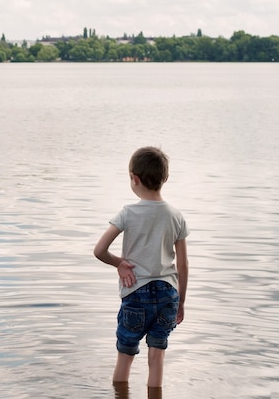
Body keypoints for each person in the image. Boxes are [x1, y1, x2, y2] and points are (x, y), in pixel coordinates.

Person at [93, 146, 189, 389]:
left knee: (125, 356)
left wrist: (120, 264)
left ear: (133, 178)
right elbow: (183, 264)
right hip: (169, 294)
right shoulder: (176, 215)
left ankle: (119, 394)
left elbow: (99, 250)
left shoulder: (128, 213)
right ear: (165, 179)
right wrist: (181, 301)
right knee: (157, 357)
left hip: (136, 293)